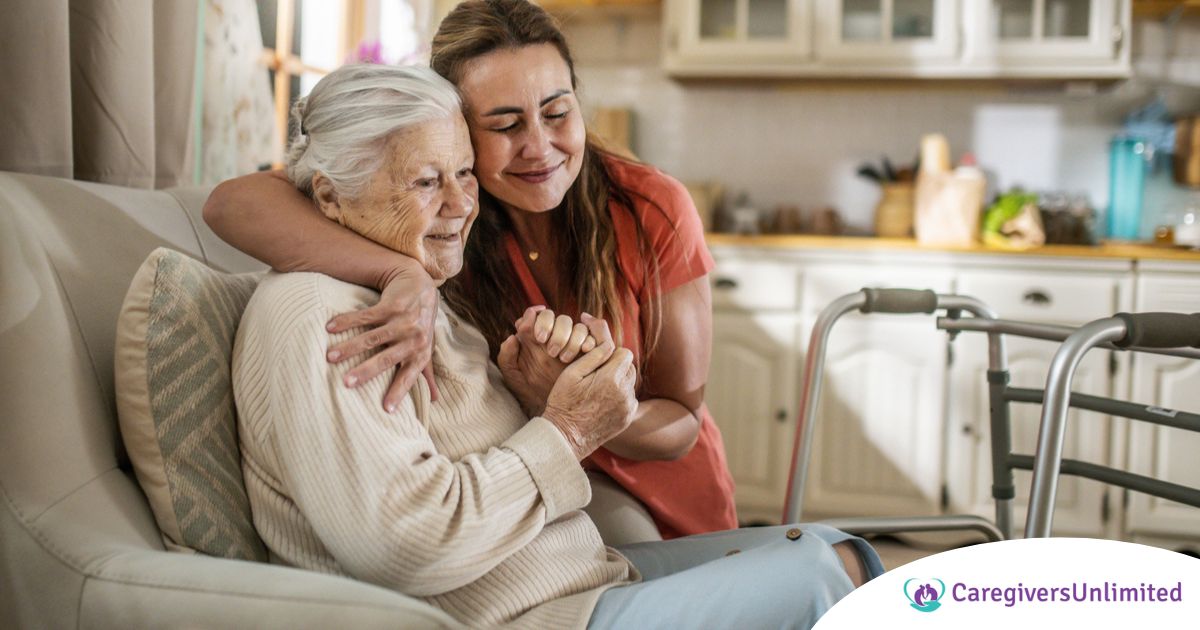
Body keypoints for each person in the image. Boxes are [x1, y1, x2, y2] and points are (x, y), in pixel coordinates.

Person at [233, 62, 882, 630]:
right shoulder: (325, 319)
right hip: (534, 617)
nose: (462, 204)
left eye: (464, 173)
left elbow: (469, 449)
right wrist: (567, 429)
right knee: (824, 578)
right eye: (426, 183)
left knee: (839, 549)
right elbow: (406, 543)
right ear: (329, 196)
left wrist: (537, 393)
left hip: (580, 581)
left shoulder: (410, 288)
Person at [205, 0, 734, 542]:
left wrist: (583, 406)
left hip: (668, 501)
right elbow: (231, 204)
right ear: (457, 127)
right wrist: (402, 274)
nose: (539, 148)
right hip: (535, 492)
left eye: (557, 113)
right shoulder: (447, 220)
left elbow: (682, 423)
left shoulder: (649, 207)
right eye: (504, 124)